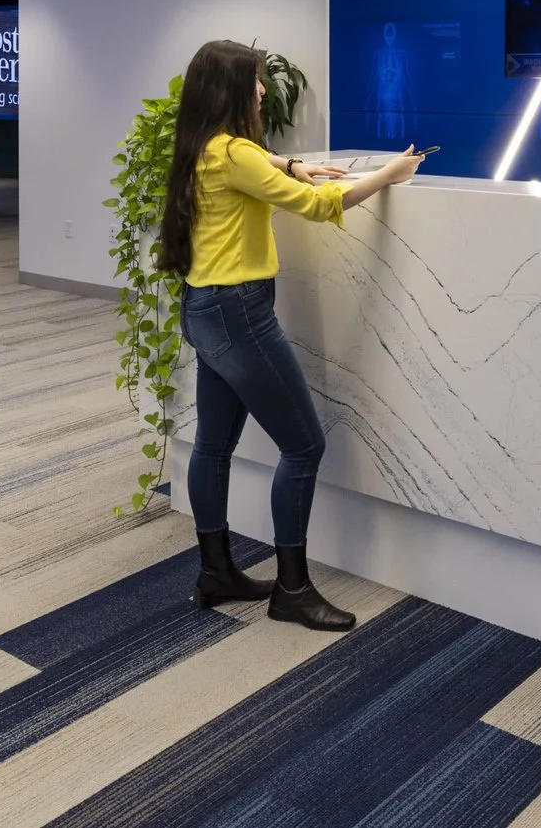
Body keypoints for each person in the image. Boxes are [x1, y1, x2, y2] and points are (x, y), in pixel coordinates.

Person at [156, 40, 423, 632]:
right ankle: (292, 590)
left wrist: (292, 163)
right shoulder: (235, 153)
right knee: (303, 447)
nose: (261, 91)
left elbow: (260, 163)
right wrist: (390, 174)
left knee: (212, 447)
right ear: (230, 89)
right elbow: (318, 205)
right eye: (253, 81)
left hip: (205, 306)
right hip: (240, 313)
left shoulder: (205, 145)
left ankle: (216, 573)